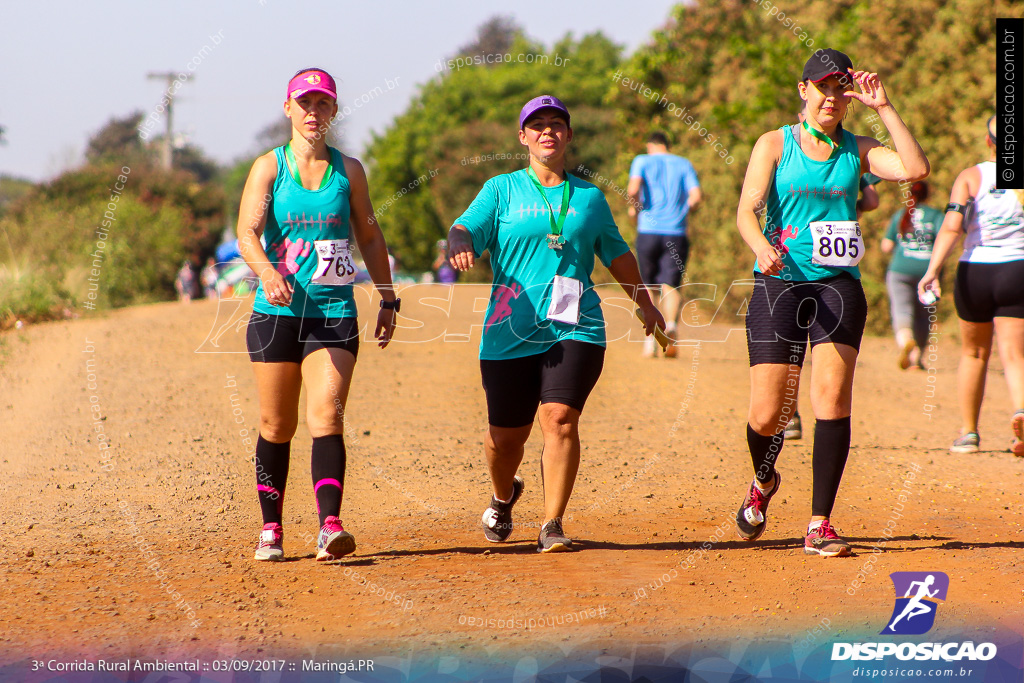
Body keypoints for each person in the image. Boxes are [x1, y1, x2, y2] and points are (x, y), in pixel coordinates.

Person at [447, 95, 666, 552]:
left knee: (560, 418)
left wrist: (645, 302)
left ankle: (552, 523)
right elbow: (465, 227)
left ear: (568, 135)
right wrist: (459, 240)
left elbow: (618, 254)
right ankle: (503, 496)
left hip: (576, 325)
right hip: (510, 328)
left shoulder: (589, 198)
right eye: (537, 124)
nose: (548, 131)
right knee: (504, 441)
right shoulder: (501, 190)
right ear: (523, 137)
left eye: (557, 124)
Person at [734, 49, 929, 557]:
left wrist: (883, 106)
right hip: (779, 281)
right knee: (766, 414)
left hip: (837, 286)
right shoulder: (774, 144)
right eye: (823, 88)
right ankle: (764, 477)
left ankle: (820, 522)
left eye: (841, 89)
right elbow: (747, 210)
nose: (833, 98)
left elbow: (914, 168)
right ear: (804, 90)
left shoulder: (858, 149)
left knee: (832, 402)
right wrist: (761, 247)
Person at [236, 67, 399, 562]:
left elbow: (368, 236)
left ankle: (330, 525)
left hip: (332, 311)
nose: (313, 112)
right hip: (277, 314)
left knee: (327, 415)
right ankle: (271, 529)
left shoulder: (349, 171)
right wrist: (266, 272)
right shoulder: (269, 168)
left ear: (333, 111)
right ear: (288, 108)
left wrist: (389, 297)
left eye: (323, 104)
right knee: (276, 424)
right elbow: (248, 232)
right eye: (305, 103)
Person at [919, 116, 1024, 456]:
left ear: (988, 140)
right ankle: (1021, 413)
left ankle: (968, 433)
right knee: (1015, 355)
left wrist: (932, 270)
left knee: (974, 353)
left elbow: (952, 227)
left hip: (975, 271)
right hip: (1017, 270)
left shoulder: (971, 176)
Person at [784, 110, 883, 439]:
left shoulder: (850, 153)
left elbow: (872, 197)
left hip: (828, 261)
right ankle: (793, 411)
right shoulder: (796, 151)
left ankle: (795, 413)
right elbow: (872, 200)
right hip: (809, 257)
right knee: (799, 351)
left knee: (806, 353)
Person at [626, 132, 702, 358]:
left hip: (647, 231)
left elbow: (632, 190)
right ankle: (670, 325)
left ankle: (650, 340)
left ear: (650, 145)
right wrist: (684, 213)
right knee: (671, 285)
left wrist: (634, 210)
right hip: (676, 232)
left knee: (648, 285)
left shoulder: (642, 160)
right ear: (668, 145)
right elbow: (696, 197)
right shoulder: (684, 164)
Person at [881, 181, 942, 369]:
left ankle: (906, 340)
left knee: (901, 309)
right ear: (927, 194)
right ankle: (917, 359)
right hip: (928, 271)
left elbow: (886, 246)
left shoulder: (902, 215)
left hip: (900, 269)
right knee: (924, 316)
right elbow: (944, 242)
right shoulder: (936, 215)